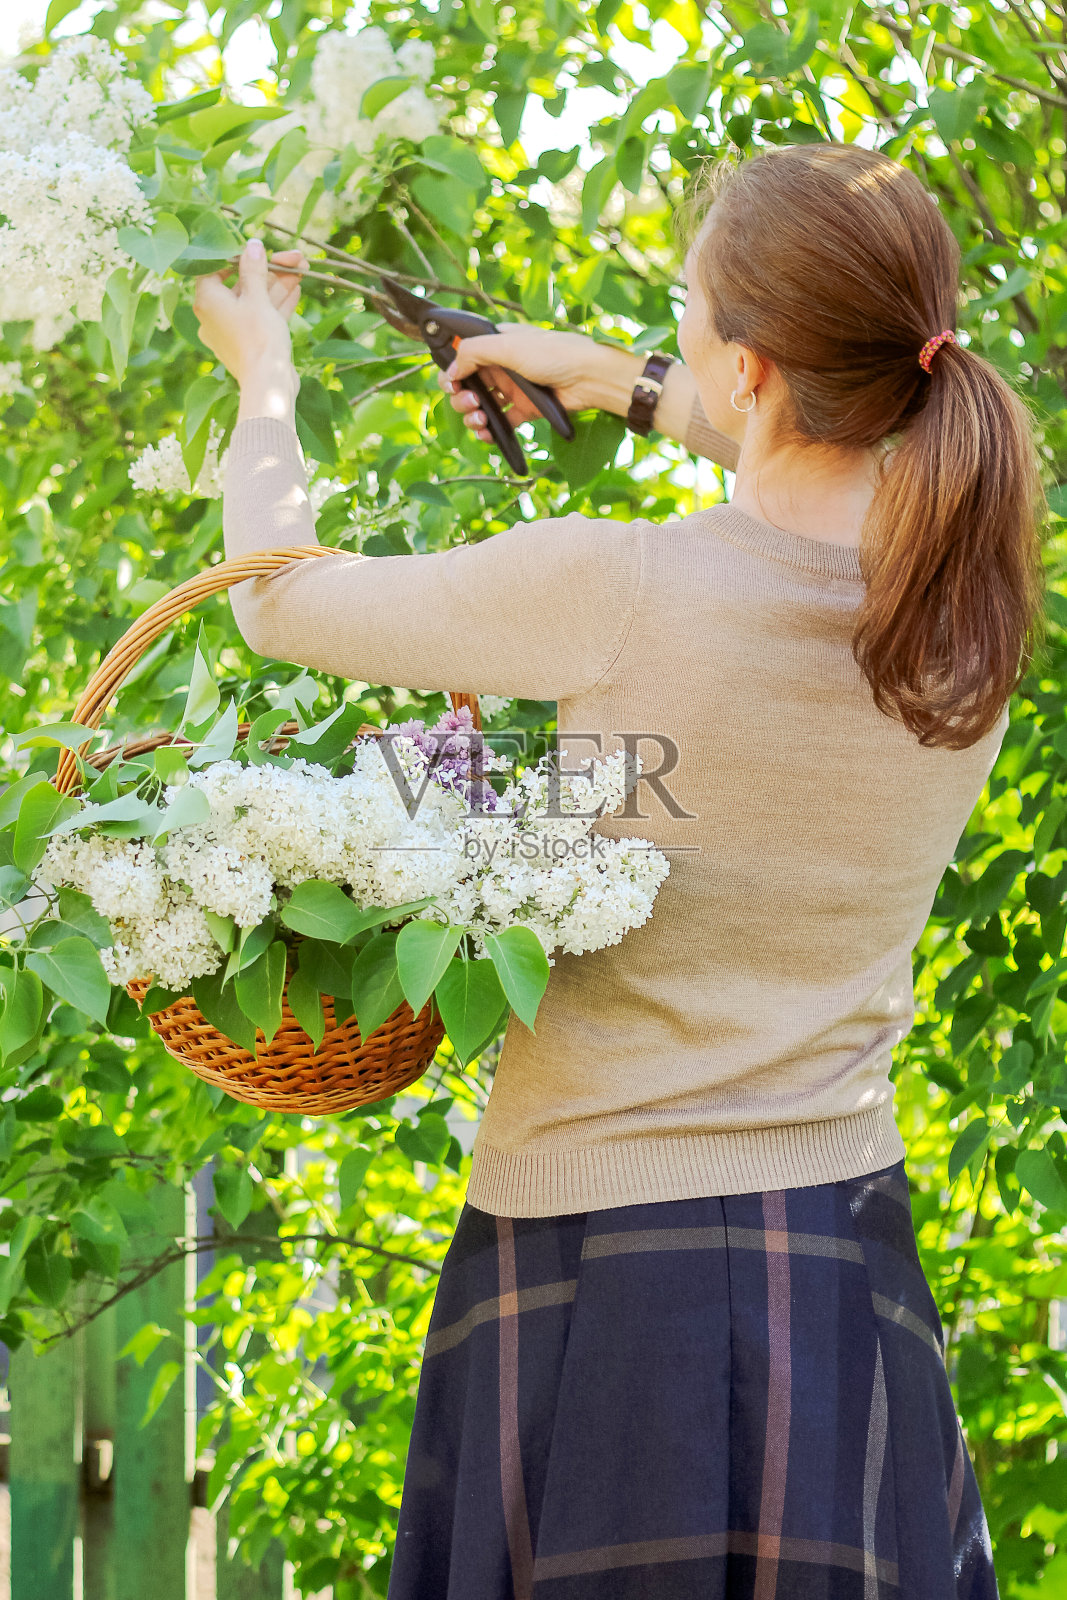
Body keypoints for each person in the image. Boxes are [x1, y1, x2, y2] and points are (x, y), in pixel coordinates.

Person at [193, 141, 1044, 1599]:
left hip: (594, 1266)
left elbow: (276, 598)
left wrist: (261, 376)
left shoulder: (621, 583)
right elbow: (814, 479)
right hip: (842, 1254)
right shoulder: (967, 605)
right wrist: (624, 375)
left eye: (692, 308)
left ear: (757, 370)